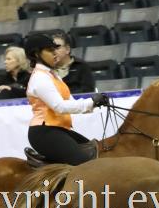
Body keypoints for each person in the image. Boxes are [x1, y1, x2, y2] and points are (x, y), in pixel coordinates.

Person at [24, 33, 110, 165]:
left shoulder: (53, 75)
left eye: (55, 49)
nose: (55, 53)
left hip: (58, 129)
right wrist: (91, 101)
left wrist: (94, 104)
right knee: (84, 163)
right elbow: (60, 107)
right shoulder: (40, 78)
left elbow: (71, 103)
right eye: (50, 50)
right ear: (36, 54)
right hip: (44, 133)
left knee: (95, 151)